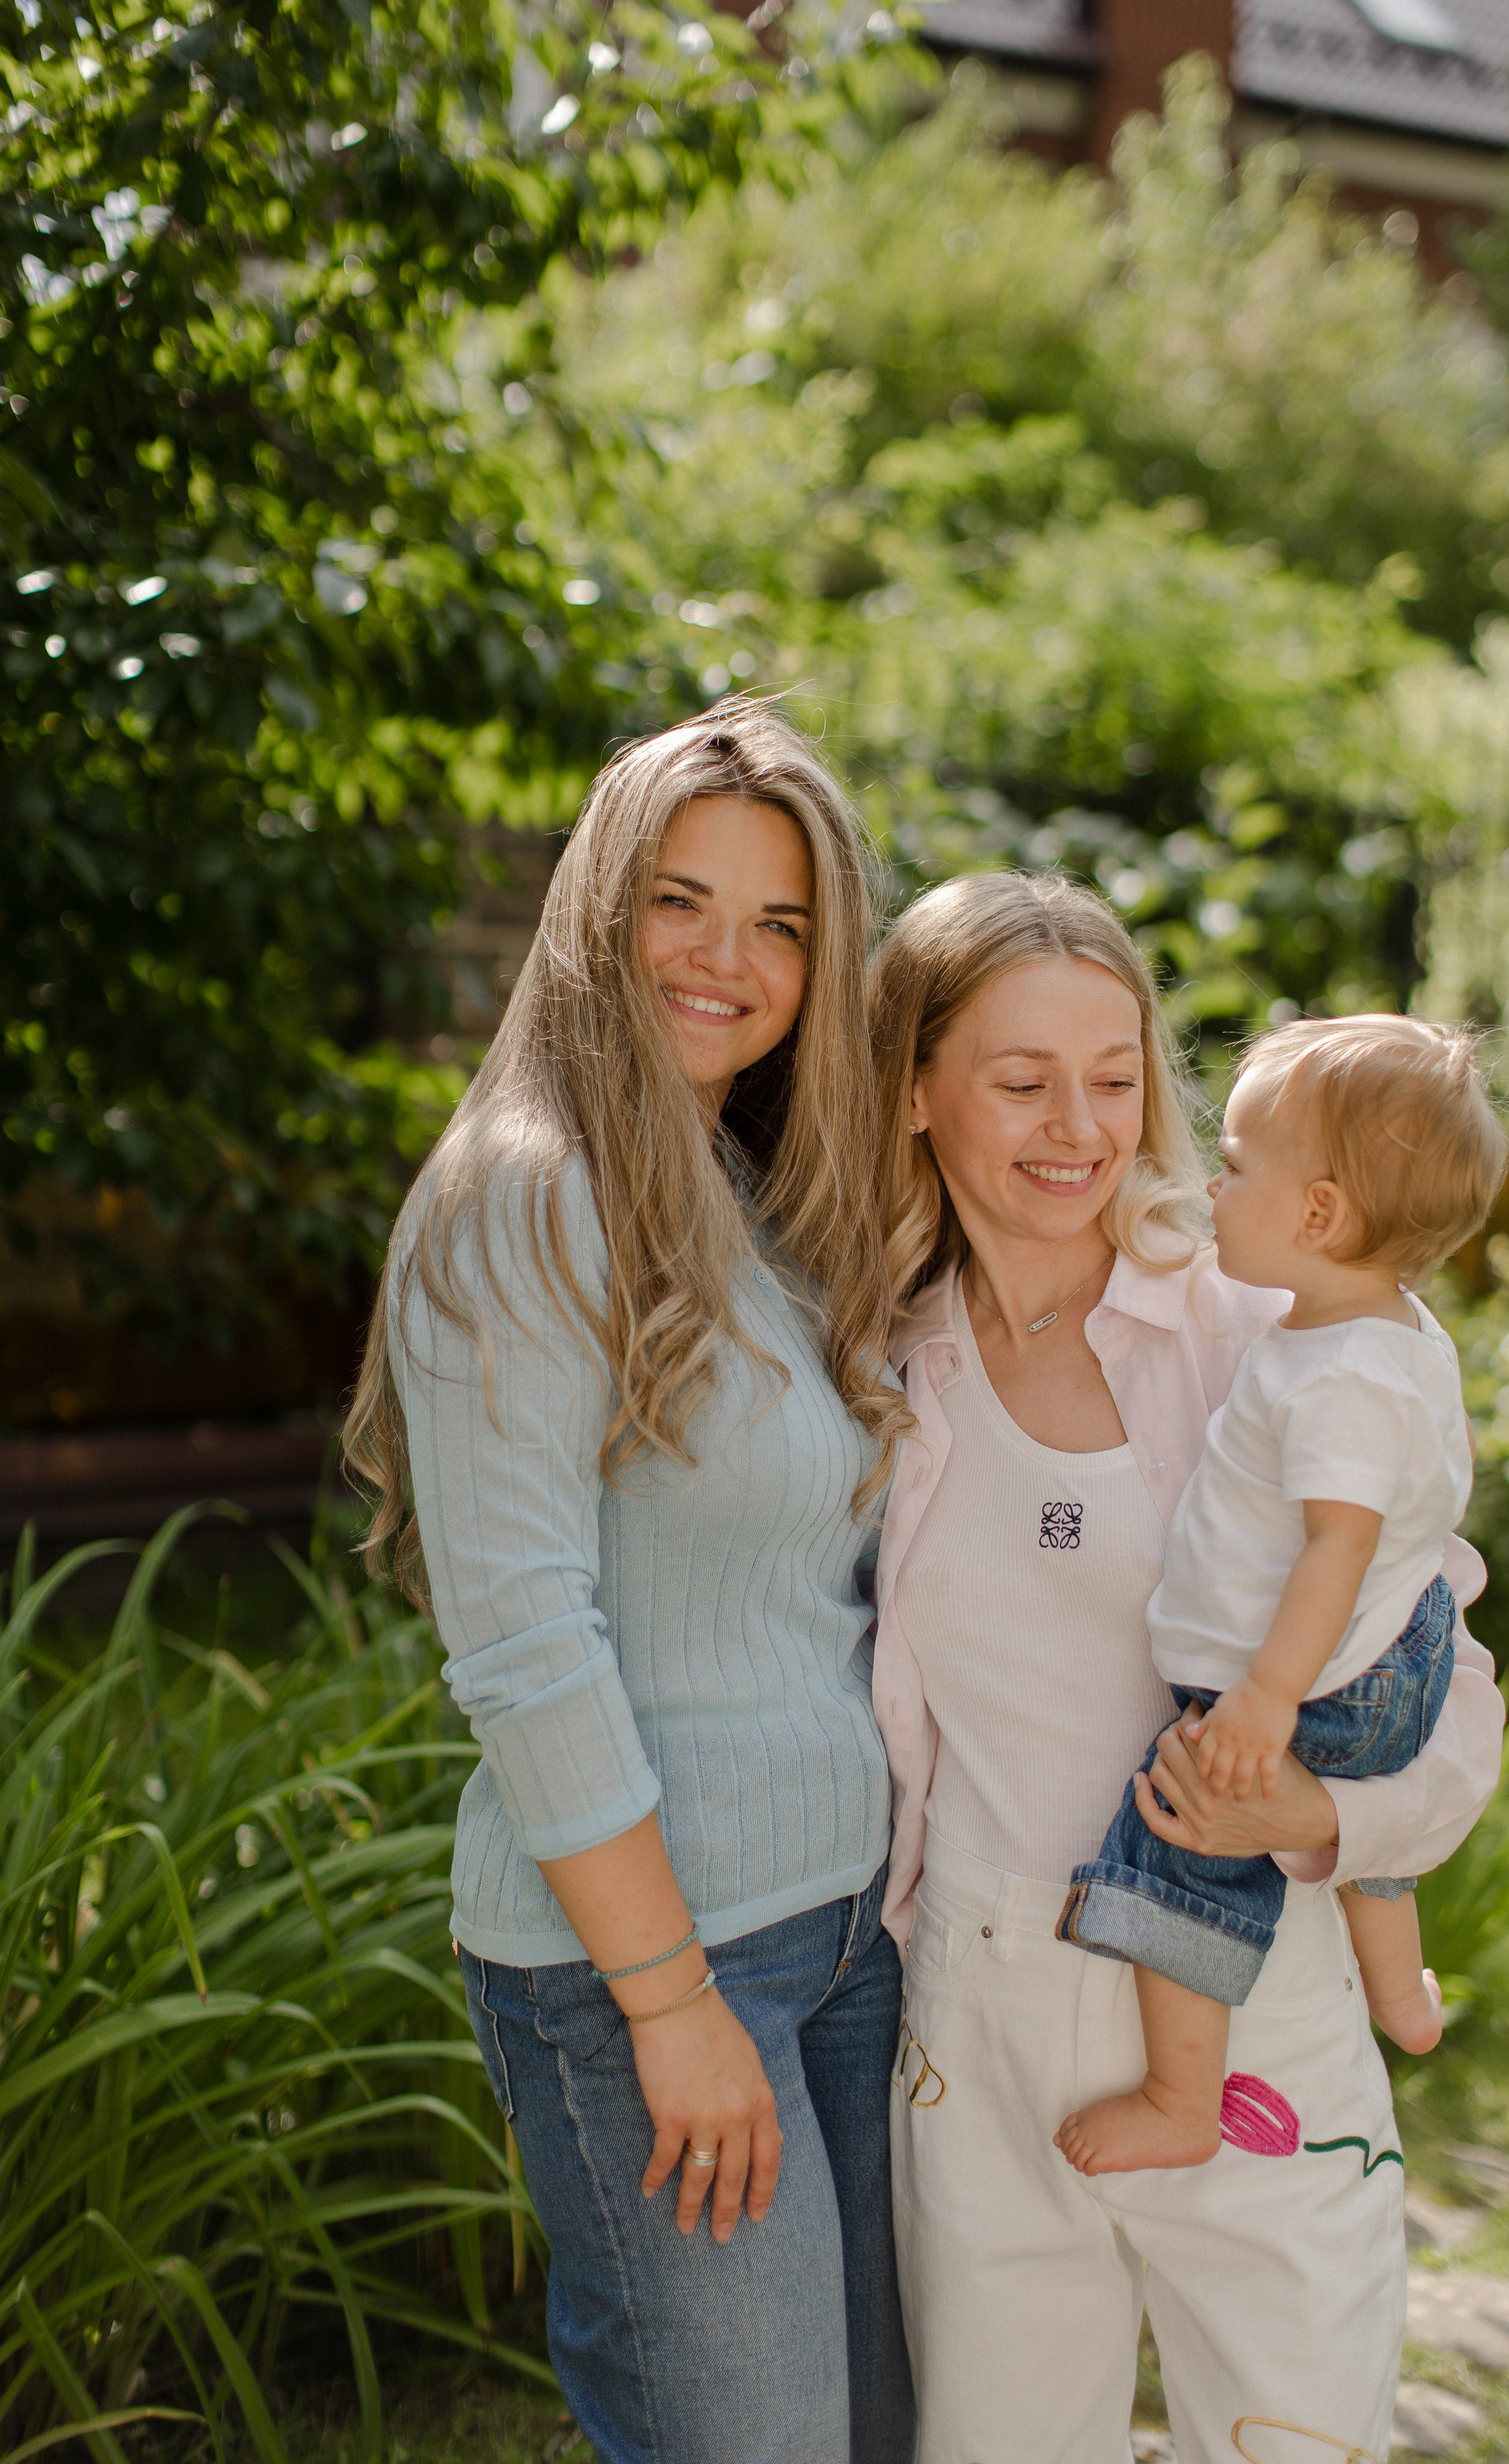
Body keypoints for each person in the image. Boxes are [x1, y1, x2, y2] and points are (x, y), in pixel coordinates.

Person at [865, 871, 1505, 2464]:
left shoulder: (1267, 1319)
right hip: (985, 1995)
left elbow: (1445, 1679)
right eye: (1020, 1083)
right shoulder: (867, 1358)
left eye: (1114, 1077)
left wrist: (1320, 1817)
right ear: (915, 1094)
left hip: (1257, 1987)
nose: (1078, 1127)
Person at [343, 700, 916, 2464]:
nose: (725, 960)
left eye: (781, 923)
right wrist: (670, 2005)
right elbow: (525, 1644)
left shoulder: (754, 1201)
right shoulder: (522, 1202)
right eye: (681, 901)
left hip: (844, 1938)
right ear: (600, 912)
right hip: (654, 1966)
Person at [1056, 1014, 1509, 2178]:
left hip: (1316, 1672)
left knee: (1180, 1841)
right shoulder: (1389, 1330)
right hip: (1389, 1650)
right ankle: (1400, 1994)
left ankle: (1178, 2098)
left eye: (1240, 1165)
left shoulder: (1340, 1377)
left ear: (1318, 1216)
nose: (1216, 1181)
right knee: (1355, 1798)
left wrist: (1263, 1696)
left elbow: (1336, 1552)